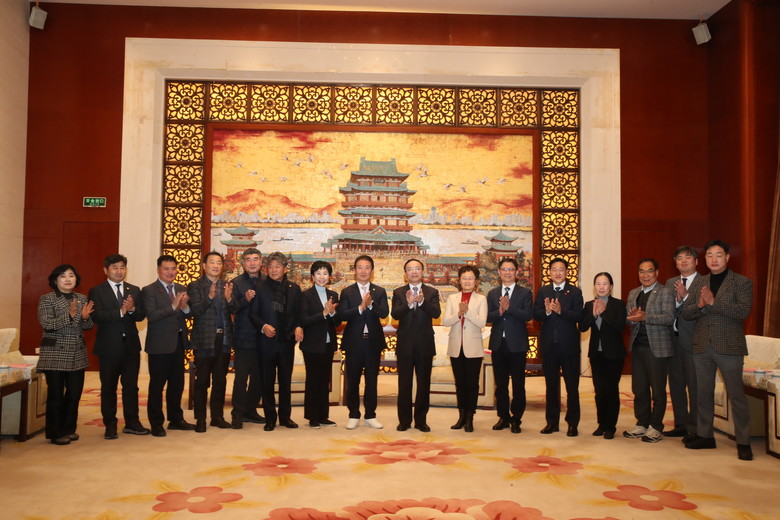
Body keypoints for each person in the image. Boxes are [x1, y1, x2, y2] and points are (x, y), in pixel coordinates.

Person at [681, 239, 754, 461]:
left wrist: (713, 302)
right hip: (702, 345)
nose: (714, 259)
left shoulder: (741, 282)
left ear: (727, 258)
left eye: (718, 255)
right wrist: (700, 305)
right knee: (702, 394)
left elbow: (743, 311)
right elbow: (687, 313)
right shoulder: (699, 282)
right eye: (710, 255)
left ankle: (744, 441)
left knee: (736, 395)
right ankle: (705, 436)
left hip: (729, 346)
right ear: (705, 259)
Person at [88, 254, 149, 440]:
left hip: (130, 347)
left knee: (131, 387)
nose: (119, 271)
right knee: (108, 388)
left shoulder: (134, 290)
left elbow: (141, 315)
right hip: (108, 347)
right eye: (115, 267)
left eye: (122, 267)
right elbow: (96, 316)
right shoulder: (97, 291)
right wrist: (120, 312)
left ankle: (132, 423)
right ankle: (110, 424)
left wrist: (132, 309)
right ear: (106, 270)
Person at [37, 264, 94, 445]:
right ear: (55, 280)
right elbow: (47, 324)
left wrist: (85, 318)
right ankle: (55, 433)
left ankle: (69, 429)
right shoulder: (47, 299)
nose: (68, 279)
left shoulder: (81, 298)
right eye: (63, 276)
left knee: (74, 395)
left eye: (71, 275)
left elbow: (88, 326)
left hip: (77, 353)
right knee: (56, 396)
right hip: (55, 354)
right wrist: (69, 316)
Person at [141, 254, 195, 437]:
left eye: (173, 268)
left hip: (178, 343)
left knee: (177, 384)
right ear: (159, 270)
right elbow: (152, 316)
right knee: (157, 386)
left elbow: (188, 314)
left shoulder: (181, 288)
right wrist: (173, 306)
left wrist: (185, 307)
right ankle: (156, 423)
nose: (171, 272)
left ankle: (176, 419)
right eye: (166, 269)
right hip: (159, 345)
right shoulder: (149, 290)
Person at [623, 258, 675, 443]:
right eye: (642, 271)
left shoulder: (665, 291)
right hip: (638, 346)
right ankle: (642, 423)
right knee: (639, 388)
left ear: (657, 273)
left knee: (658, 390)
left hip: (657, 348)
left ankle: (656, 426)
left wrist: (646, 317)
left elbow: (669, 318)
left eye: (649, 271)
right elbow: (629, 319)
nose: (645, 275)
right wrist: (632, 318)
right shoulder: (633, 293)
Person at [250, 251, 302, 431]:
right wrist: (263, 326)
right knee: (267, 382)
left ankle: (285, 417)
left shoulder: (294, 288)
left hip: (286, 342)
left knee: (285, 382)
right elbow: (253, 314)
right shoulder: (259, 287)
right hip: (266, 342)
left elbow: (299, 314)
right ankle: (270, 418)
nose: (273, 270)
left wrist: (298, 326)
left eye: (277, 266)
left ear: (285, 268)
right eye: (270, 267)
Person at [187, 252, 238, 433]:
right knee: (202, 381)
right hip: (204, 340)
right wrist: (209, 297)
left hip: (223, 339)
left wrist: (229, 299)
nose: (215, 266)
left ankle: (217, 417)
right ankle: (200, 419)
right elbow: (194, 310)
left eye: (218, 263)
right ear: (204, 266)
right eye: (212, 262)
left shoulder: (227, 285)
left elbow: (235, 309)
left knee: (220, 381)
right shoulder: (195, 286)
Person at [534, 258, 584, 436]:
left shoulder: (575, 292)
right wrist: (547, 311)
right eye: (554, 269)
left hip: (569, 347)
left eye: (561, 269)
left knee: (572, 387)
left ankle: (572, 424)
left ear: (567, 272)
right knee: (551, 387)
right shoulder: (543, 291)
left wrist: (561, 311)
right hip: (549, 346)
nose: (557, 273)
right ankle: (552, 422)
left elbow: (579, 316)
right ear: (549, 272)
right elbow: (536, 314)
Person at [338, 255, 389, 430]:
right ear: (354, 270)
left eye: (367, 267)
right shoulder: (347, 292)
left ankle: (370, 415)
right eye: (360, 267)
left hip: (373, 343)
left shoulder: (379, 291)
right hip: (354, 343)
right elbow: (342, 315)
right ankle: (353, 414)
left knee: (371, 381)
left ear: (372, 271)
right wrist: (360, 307)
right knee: (352, 381)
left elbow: (384, 313)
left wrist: (371, 303)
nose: (363, 271)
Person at [391, 259, 442, 432]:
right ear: (405, 273)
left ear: (422, 271)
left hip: (424, 345)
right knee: (404, 384)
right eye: (410, 269)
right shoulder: (399, 292)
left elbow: (436, 313)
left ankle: (421, 421)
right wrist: (408, 303)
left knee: (423, 384)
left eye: (417, 268)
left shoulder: (432, 292)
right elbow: (395, 315)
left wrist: (421, 302)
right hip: (405, 345)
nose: (414, 272)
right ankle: (404, 421)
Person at [487, 258, 533, 434]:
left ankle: (516, 418)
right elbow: (487, 317)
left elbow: (527, 315)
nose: (507, 273)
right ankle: (503, 417)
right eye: (504, 269)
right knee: (501, 384)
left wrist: (509, 307)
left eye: (511, 269)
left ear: (516, 272)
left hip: (517, 345)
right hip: (498, 344)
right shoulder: (492, 293)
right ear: (499, 272)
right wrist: (499, 311)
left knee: (518, 384)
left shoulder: (525, 293)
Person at [579, 272, 627, 439]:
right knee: (599, 391)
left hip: (614, 354)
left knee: (611, 390)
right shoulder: (589, 305)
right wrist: (593, 314)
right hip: (596, 354)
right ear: (594, 287)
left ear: (611, 287)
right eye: (598, 284)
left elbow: (620, 326)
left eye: (605, 283)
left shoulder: (618, 304)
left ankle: (610, 427)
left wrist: (604, 313)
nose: (601, 287)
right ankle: (601, 424)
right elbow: (582, 327)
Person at [441, 265, 487, 432]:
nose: (467, 281)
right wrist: (459, 314)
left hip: (473, 349)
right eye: (464, 278)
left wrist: (467, 312)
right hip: (456, 347)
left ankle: (469, 418)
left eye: (470, 278)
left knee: (472, 384)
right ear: (459, 280)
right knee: (460, 384)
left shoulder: (481, 299)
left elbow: (482, 322)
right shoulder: (452, 298)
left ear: (476, 281)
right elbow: (445, 321)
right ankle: (461, 417)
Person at [664, 246, 703, 441]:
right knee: (676, 384)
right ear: (675, 263)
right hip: (674, 340)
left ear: (696, 261)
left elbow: (702, 310)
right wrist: (678, 301)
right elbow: (667, 309)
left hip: (695, 341)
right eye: (679, 258)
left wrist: (685, 297)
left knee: (695, 386)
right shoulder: (671, 282)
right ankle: (680, 424)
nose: (683, 261)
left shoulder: (705, 282)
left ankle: (695, 428)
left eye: (688, 257)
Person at [299, 261, 342, 428]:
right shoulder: (306, 295)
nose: (322, 277)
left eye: (325, 273)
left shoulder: (334, 295)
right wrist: (323, 313)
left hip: (328, 344)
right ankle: (312, 417)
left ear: (329, 277)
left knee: (324, 381)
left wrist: (333, 313)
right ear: (312, 276)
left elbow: (337, 322)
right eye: (318, 273)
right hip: (311, 344)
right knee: (313, 380)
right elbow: (304, 320)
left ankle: (324, 416)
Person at [230, 248, 266, 428]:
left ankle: (250, 411)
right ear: (243, 263)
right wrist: (245, 299)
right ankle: (237, 414)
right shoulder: (236, 283)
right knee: (241, 378)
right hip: (243, 337)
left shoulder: (268, 281)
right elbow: (231, 308)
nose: (252, 263)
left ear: (261, 262)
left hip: (263, 338)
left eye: (255, 259)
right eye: (248, 259)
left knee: (259, 378)